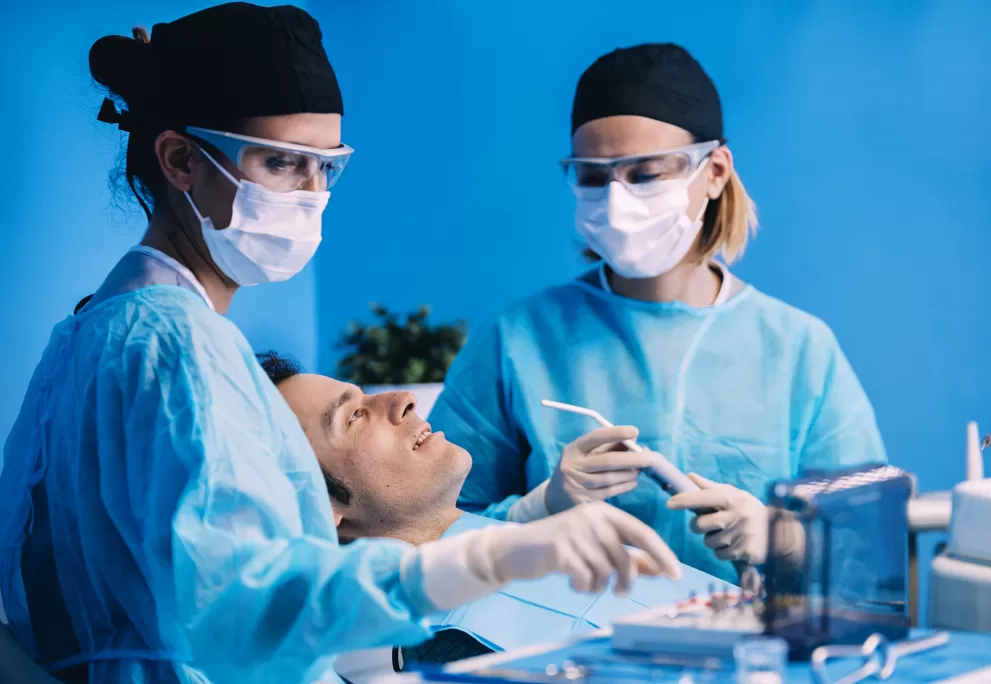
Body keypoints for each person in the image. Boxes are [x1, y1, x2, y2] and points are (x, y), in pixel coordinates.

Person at [0, 8, 678, 683]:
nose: (311, 195)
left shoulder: (89, 332)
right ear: (180, 158)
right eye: (282, 163)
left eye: (327, 167)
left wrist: (526, 515)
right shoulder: (175, 345)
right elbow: (248, 607)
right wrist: (489, 559)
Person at [428, 42, 888, 585]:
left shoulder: (798, 349)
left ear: (714, 172)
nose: (617, 203)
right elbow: (431, 531)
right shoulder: (518, 340)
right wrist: (538, 509)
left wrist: (779, 536)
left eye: (645, 174)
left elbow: (872, 547)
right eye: (594, 178)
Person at [255, 352, 734, 677]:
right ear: (321, 508)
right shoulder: (432, 654)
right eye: (354, 417)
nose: (401, 399)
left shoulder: (506, 538)